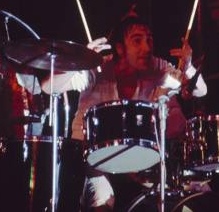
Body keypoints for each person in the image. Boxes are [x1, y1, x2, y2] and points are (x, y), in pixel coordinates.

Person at [41, 14, 207, 212]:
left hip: (134, 153)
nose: (147, 48)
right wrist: (80, 61)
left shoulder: (157, 68)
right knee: (102, 197)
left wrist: (188, 67)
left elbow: (199, 90)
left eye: (149, 40)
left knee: (196, 190)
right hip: (92, 155)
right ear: (119, 48)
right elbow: (47, 86)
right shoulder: (97, 69)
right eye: (137, 41)